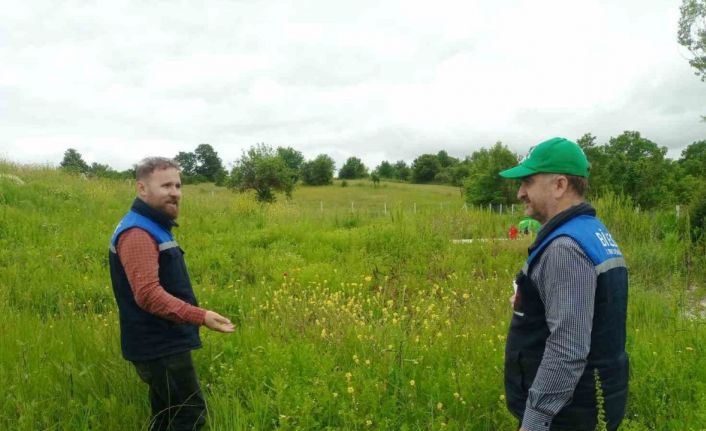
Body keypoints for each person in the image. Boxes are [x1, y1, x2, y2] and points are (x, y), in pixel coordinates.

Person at [499, 138, 629, 431]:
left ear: (559, 185)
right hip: (589, 401)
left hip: (567, 415)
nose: (520, 192)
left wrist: (534, 422)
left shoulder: (565, 248)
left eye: (528, 182)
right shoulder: (593, 233)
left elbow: (568, 348)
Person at [108, 157, 235, 430]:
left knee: (166, 416)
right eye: (165, 185)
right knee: (188, 416)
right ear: (142, 189)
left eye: (178, 185)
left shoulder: (151, 225)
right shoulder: (139, 232)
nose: (175, 192)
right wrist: (201, 316)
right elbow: (148, 294)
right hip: (159, 345)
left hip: (158, 342)